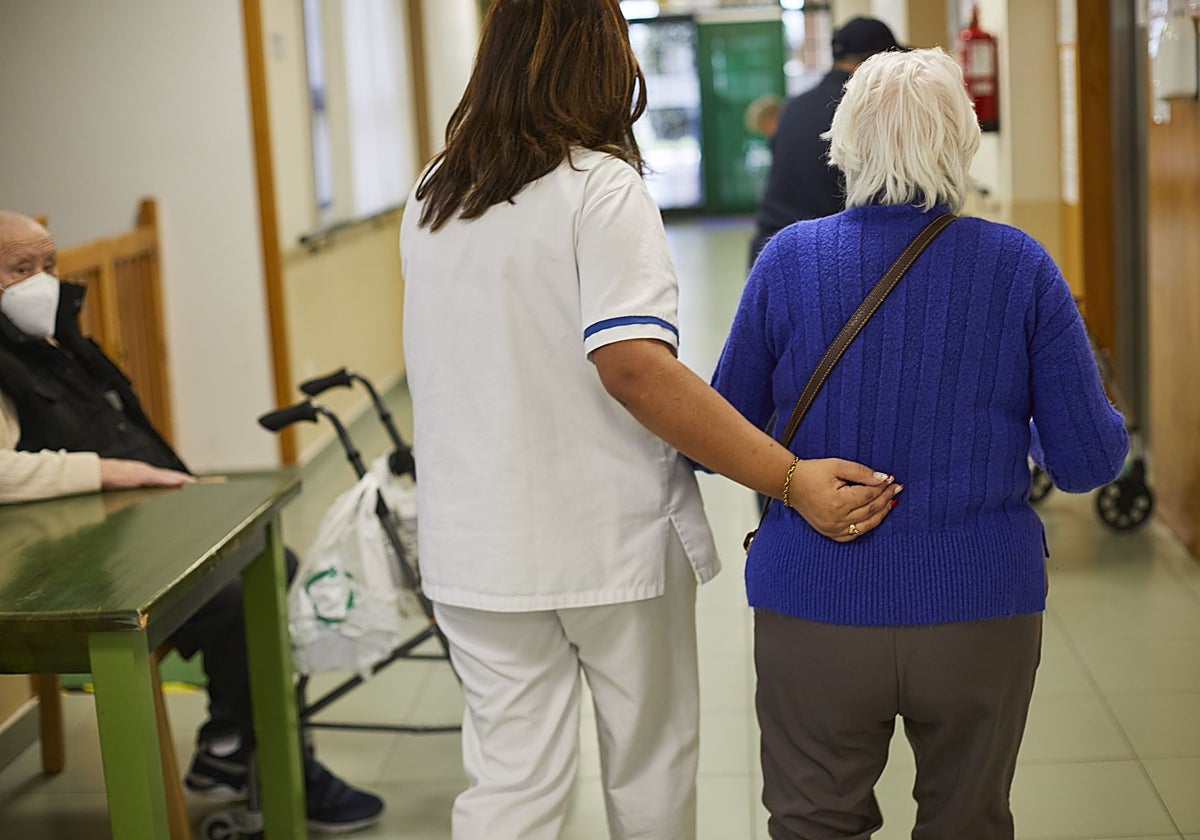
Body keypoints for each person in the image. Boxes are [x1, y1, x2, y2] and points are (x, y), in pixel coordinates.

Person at [398, 2, 902, 838]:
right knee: (649, 768)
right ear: (602, 63)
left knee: (509, 783)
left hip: (476, 546)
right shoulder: (598, 187)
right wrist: (788, 478)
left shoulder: (433, 193)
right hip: (606, 542)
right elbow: (634, 369)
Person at [712, 48, 1130, 840]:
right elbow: (1087, 462)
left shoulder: (788, 259)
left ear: (843, 143)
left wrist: (795, 472)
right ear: (961, 145)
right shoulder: (1020, 266)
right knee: (968, 822)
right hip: (979, 606)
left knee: (812, 823)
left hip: (814, 603)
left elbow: (718, 429)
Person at [0, 210, 384, 834]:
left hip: (126, 528)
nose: (42, 281)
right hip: (69, 562)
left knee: (272, 562)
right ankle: (277, 767)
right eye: (22, 269)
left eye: (49, 264)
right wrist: (106, 471)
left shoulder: (56, 338)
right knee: (235, 598)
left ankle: (229, 745)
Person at [749, 16, 904, 266]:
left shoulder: (794, 106)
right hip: (819, 259)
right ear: (875, 61)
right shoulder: (863, 109)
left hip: (768, 253)